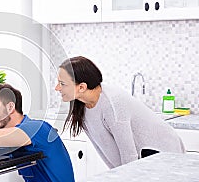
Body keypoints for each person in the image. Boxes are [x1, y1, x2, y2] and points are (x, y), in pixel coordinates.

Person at [55, 56, 185, 169]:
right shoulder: (81, 105)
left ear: (82, 87)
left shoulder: (113, 105)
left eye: (62, 84)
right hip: (142, 159)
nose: (57, 88)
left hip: (163, 153)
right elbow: (105, 150)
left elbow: (129, 155)